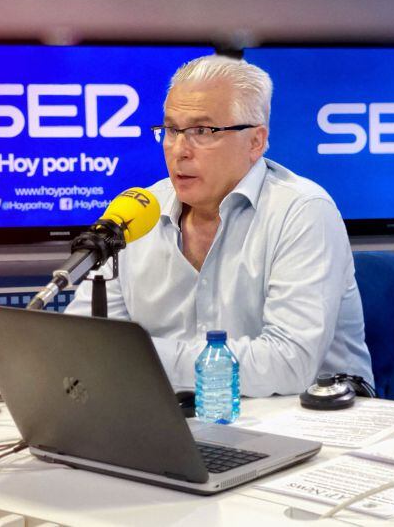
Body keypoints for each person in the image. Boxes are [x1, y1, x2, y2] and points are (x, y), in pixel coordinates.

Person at [66, 54, 373, 397]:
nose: (178, 149)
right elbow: (83, 340)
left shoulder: (302, 211)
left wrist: (134, 357)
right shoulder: (137, 213)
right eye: (171, 130)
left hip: (304, 421)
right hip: (168, 416)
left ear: (255, 141)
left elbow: (289, 364)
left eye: (202, 131)